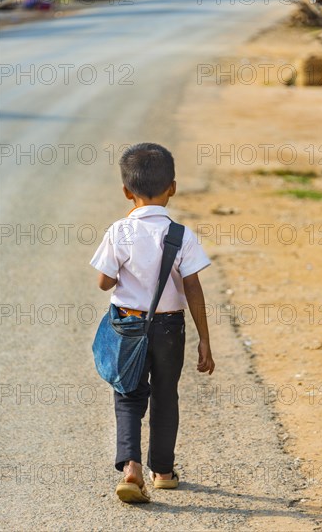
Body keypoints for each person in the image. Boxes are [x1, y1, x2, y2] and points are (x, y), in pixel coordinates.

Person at [90, 142, 215, 503]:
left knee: (128, 394)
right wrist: (204, 340)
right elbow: (193, 288)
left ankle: (131, 467)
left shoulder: (119, 232)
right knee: (165, 396)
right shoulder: (181, 236)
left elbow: (104, 281)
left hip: (129, 326)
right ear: (172, 187)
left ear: (127, 192)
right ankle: (162, 471)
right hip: (169, 328)